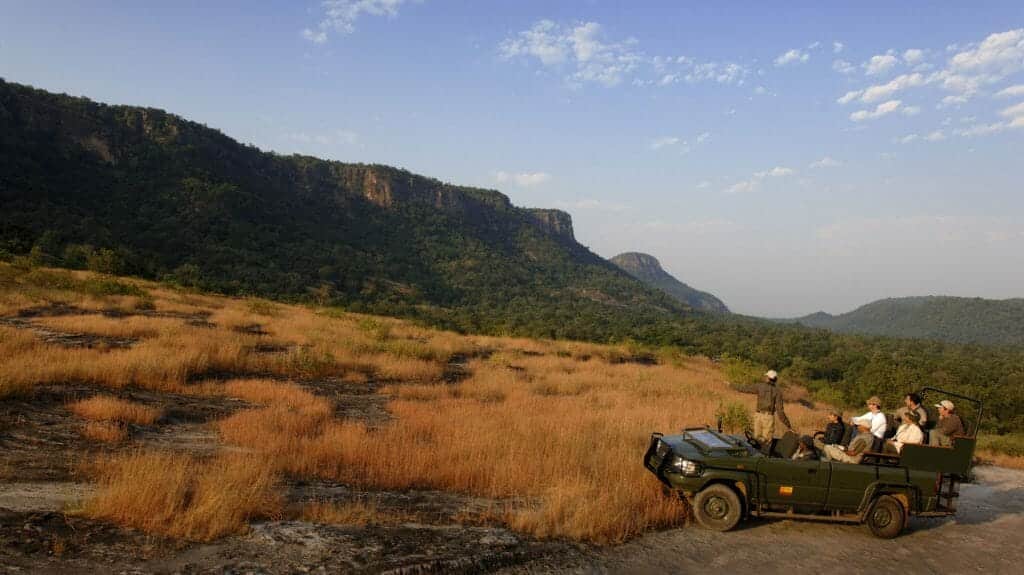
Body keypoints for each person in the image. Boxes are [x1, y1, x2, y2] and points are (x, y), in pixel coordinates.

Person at [739, 370, 793, 444]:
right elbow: (780, 411)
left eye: (766, 376)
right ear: (775, 379)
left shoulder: (760, 386)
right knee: (766, 442)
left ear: (768, 378)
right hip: (768, 418)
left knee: (756, 440)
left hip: (758, 416)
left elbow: (745, 388)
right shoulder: (777, 391)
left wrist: (731, 385)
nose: (765, 378)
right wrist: (788, 425)